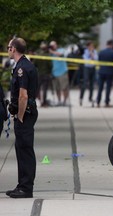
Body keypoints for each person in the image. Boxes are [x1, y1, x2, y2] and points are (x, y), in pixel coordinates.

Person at [6, 38, 38, 198]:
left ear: (13, 49)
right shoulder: (23, 65)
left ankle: (26, 188)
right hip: (26, 112)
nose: (7, 49)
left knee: (25, 149)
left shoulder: (22, 68)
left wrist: (19, 116)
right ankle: (22, 185)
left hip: (25, 113)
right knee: (21, 149)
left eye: (8, 47)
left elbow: (23, 96)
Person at [96, 39, 113, 108]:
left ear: (107, 44)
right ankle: (106, 102)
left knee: (100, 88)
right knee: (108, 88)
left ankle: (98, 102)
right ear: (112, 45)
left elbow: (99, 61)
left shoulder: (101, 52)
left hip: (101, 71)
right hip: (110, 72)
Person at [49, 41, 69, 106]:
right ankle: (59, 101)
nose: (52, 47)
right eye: (51, 46)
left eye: (53, 45)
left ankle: (65, 101)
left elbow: (61, 54)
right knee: (57, 89)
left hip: (62, 72)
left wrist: (52, 52)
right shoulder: (50, 53)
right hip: (55, 73)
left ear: (56, 45)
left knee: (64, 88)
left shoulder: (61, 50)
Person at [34, 42, 52, 107]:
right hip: (46, 74)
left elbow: (34, 64)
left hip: (39, 74)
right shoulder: (48, 55)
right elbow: (50, 66)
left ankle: (38, 100)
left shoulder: (37, 55)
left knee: (38, 88)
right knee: (45, 89)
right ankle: (44, 102)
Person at [80, 41, 98, 106]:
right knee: (85, 83)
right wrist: (90, 53)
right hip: (87, 68)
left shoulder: (95, 51)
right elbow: (86, 60)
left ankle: (90, 98)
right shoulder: (85, 51)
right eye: (91, 46)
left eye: (92, 46)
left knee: (92, 84)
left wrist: (92, 53)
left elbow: (96, 58)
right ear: (88, 46)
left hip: (93, 68)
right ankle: (81, 98)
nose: (92, 47)